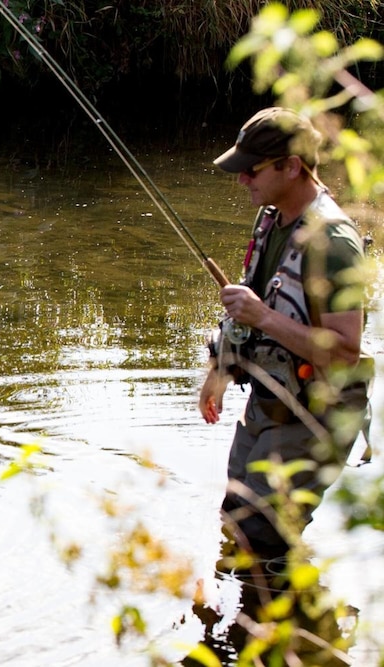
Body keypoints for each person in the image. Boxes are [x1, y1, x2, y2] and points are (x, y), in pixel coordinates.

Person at [199, 106, 372, 559]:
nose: (242, 179)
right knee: (234, 519)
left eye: (252, 170)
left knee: (260, 537)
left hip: (318, 415)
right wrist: (218, 371)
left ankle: (285, 601)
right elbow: (249, 313)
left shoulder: (333, 244)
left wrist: (263, 318)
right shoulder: (271, 219)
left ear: (291, 167)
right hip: (272, 401)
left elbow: (345, 354)